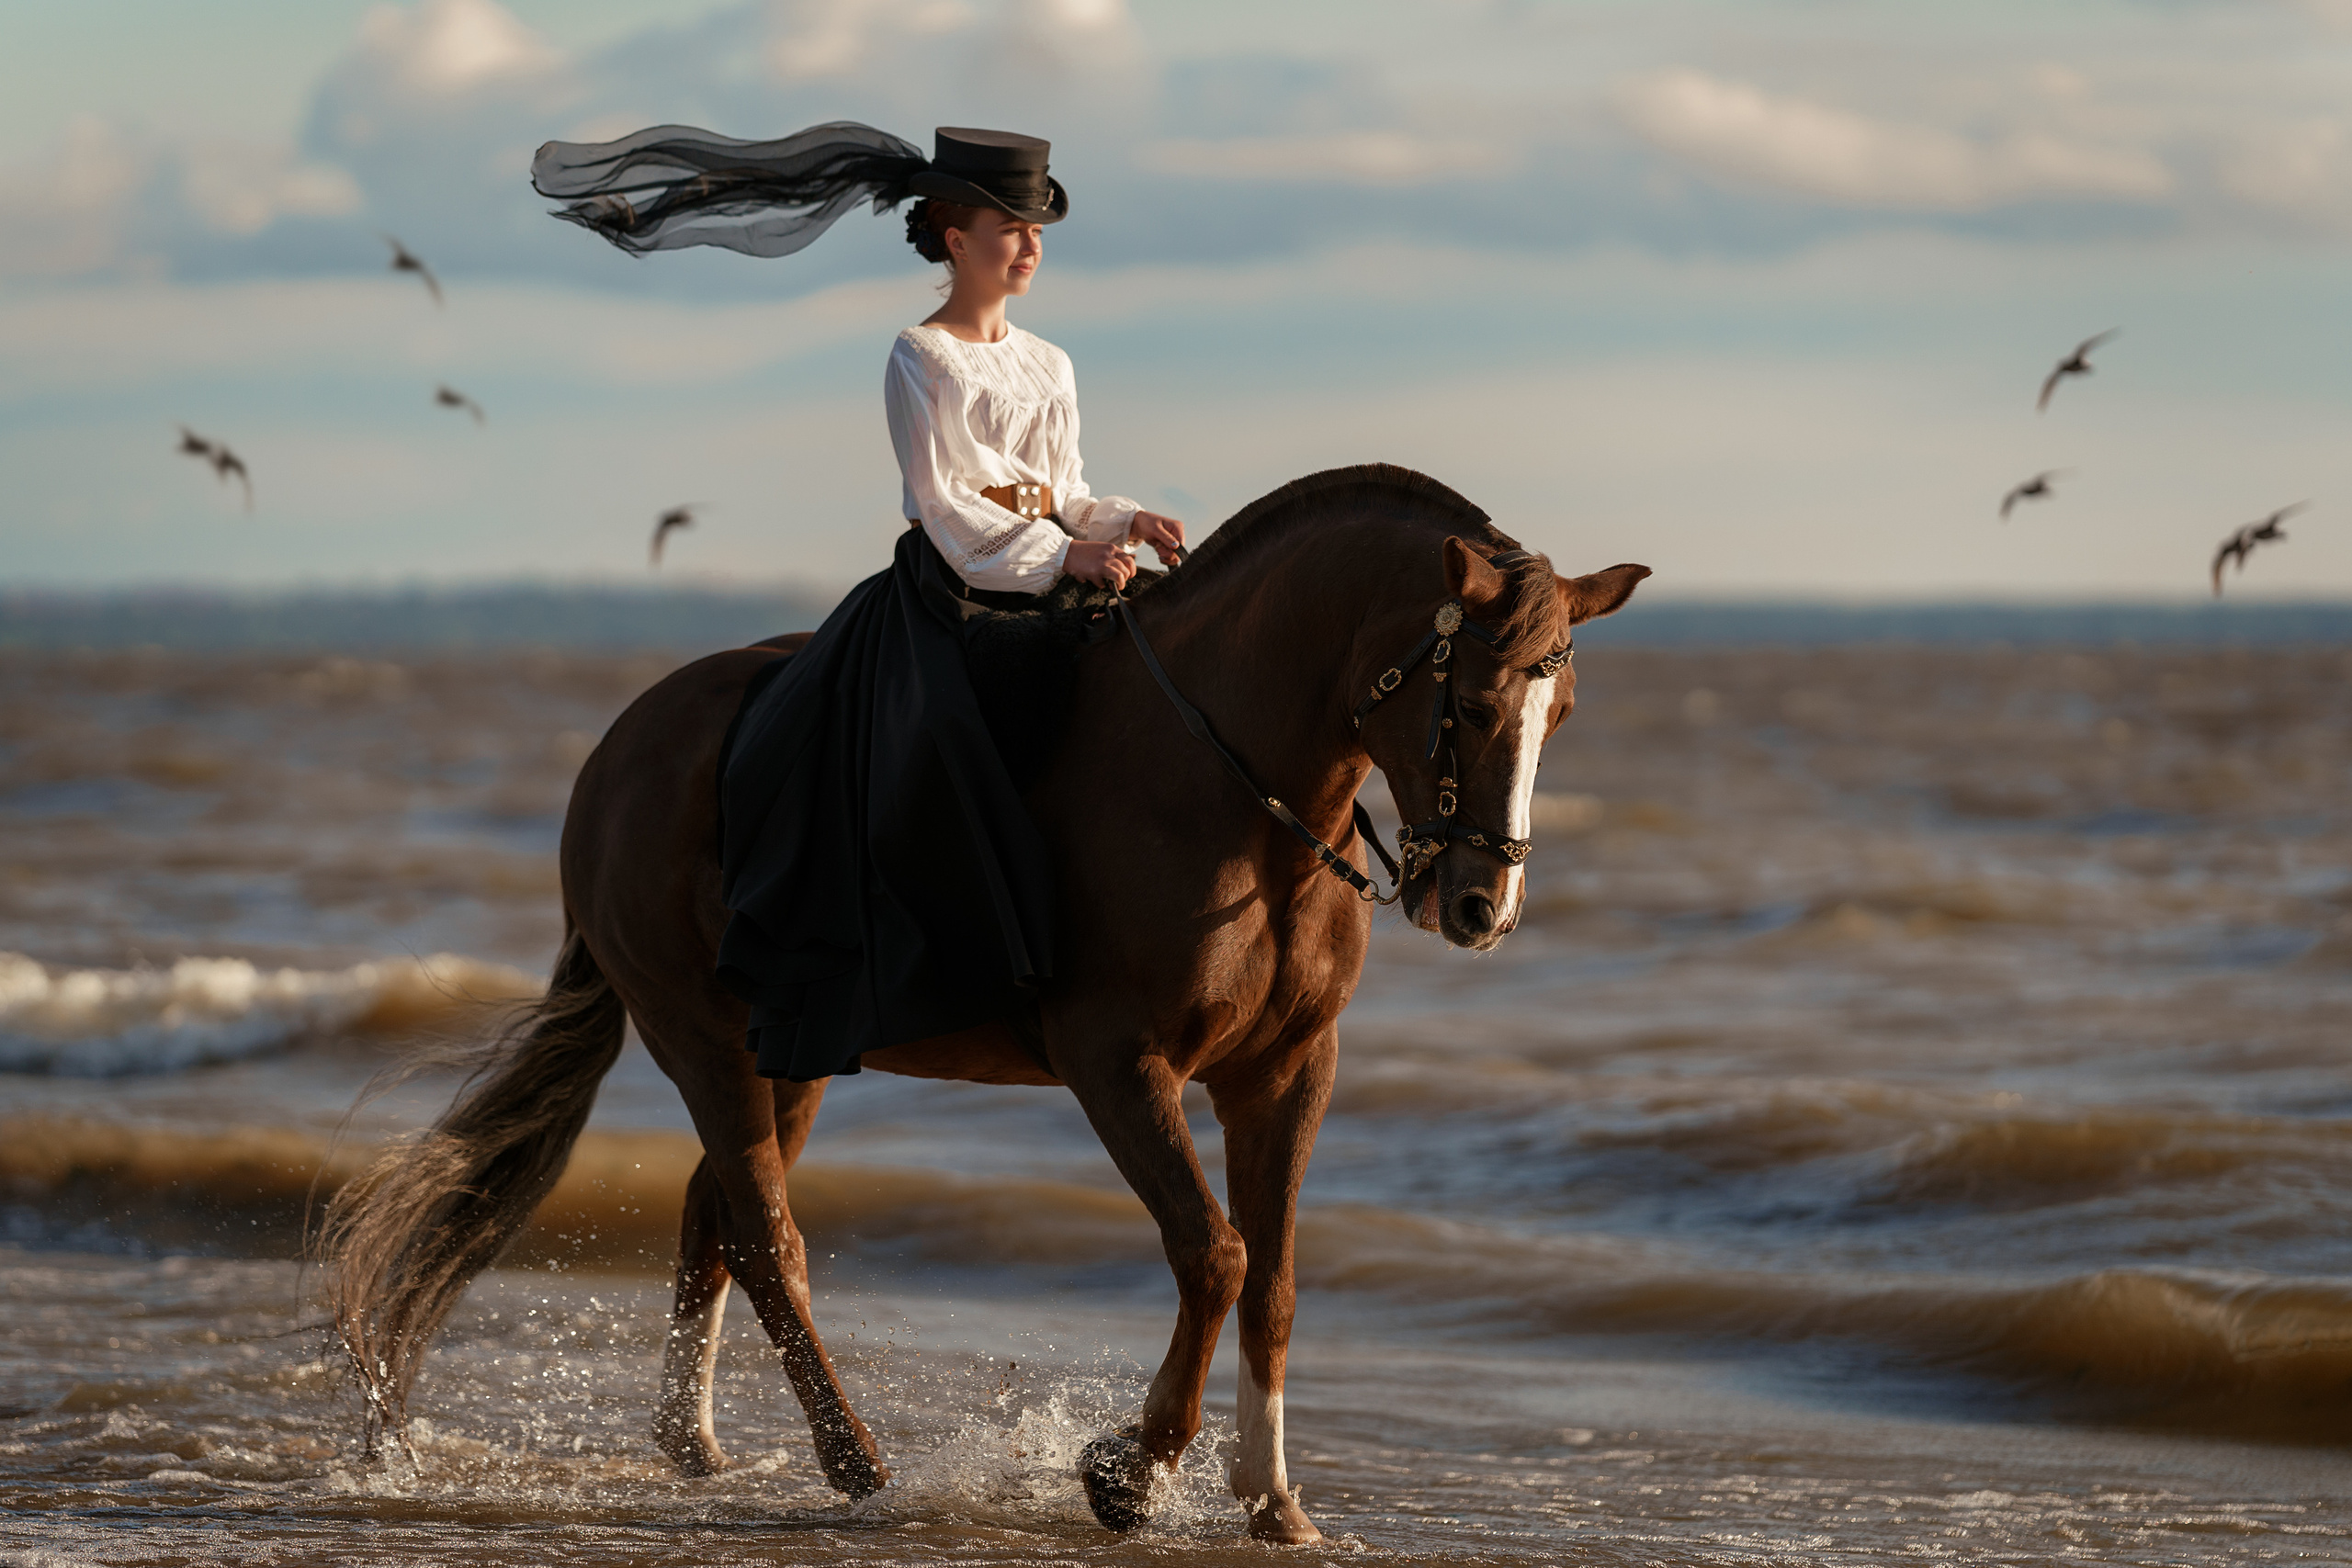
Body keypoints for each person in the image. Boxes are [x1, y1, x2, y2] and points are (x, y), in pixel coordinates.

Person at [533, 122, 1181, 1080]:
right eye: (1012, 226)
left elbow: (1063, 486)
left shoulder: (1051, 364)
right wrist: (1060, 558)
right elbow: (946, 504)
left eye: (1037, 227)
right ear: (956, 238)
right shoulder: (921, 357)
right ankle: (950, 953)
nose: (1031, 244)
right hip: (960, 588)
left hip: (1050, 569)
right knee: (950, 742)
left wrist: (1121, 521)